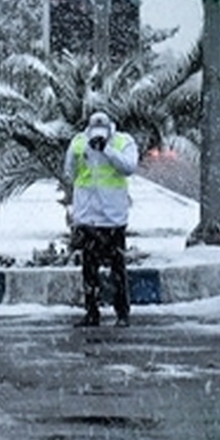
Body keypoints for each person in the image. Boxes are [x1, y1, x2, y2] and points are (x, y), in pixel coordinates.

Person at [63, 111, 139, 327]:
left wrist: (107, 149)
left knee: (117, 267)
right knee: (89, 268)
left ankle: (122, 313)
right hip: (88, 217)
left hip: (113, 217)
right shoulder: (79, 142)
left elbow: (129, 167)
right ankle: (92, 312)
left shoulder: (123, 142)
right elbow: (69, 172)